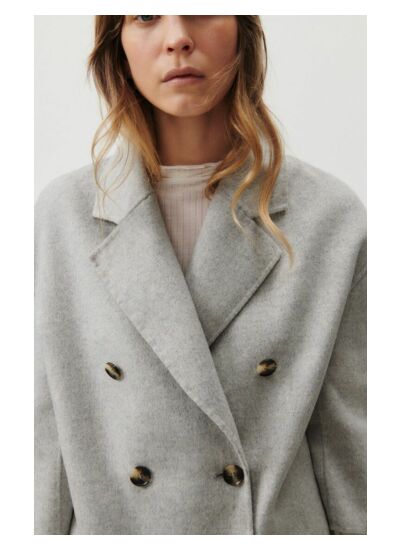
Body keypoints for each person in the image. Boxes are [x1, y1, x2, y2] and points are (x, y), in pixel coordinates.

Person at [34, 16, 367, 535]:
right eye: (146, 15)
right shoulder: (63, 217)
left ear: (241, 30)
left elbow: (350, 452)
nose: (178, 38)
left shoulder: (328, 217)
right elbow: (43, 446)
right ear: (117, 44)